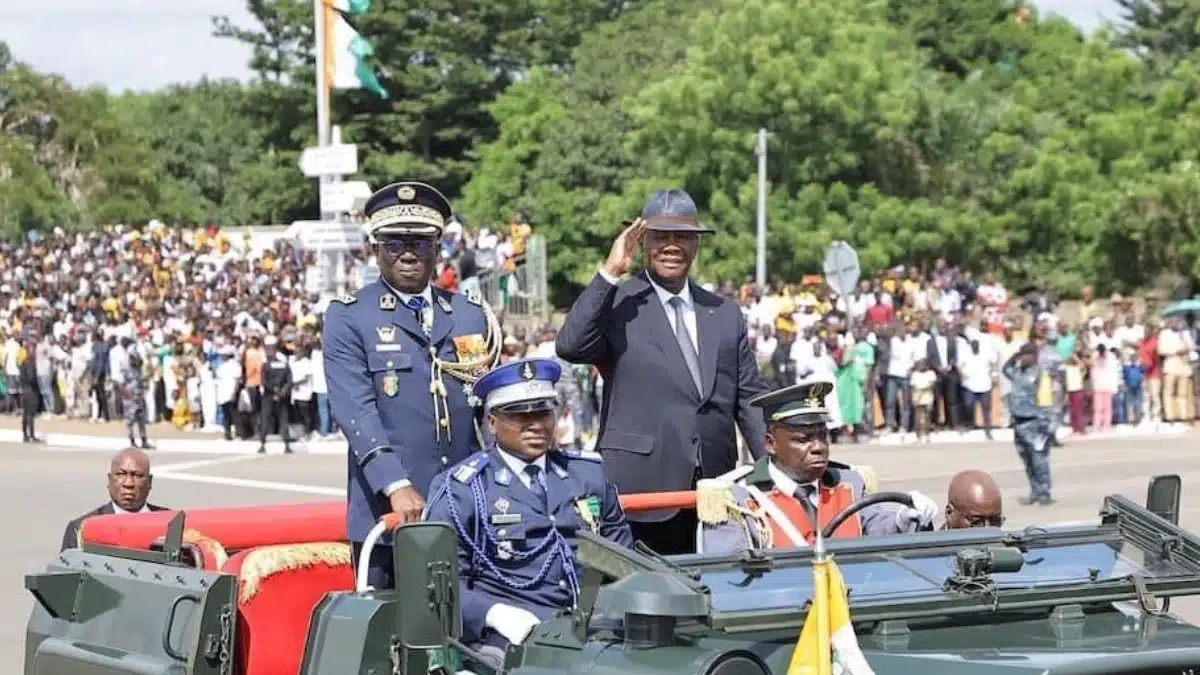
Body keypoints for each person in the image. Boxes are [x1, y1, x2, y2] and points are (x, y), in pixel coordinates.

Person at [555, 189, 768, 555]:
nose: (672, 246)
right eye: (660, 237)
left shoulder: (723, 312)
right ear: (641, 242)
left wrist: (769, 472)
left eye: (682, 236)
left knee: (716, 596)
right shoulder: (619, 303)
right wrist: (610, 273)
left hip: (715, 493)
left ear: (696, 244)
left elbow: (748, 398)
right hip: (643, 491)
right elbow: (571, 346)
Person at [324, 181, 500, 590]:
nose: (407, 253)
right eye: (393, 243)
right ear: (375, 249)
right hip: (388, 511)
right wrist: (396, 485)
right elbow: (355, 412)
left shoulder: (468, 314)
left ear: (438, 248)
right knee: (390, 637)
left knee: (467, 628)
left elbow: (486, 408)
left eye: (420, 242)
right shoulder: (350, 316)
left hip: (465, 505)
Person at [424, 358, 632, 667]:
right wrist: (494, 614)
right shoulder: (464, 490)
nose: (536, 424)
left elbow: (623, 558)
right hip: (512, 637)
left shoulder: (586, 475)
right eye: (520, 415)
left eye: (544, 412)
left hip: (596, 628)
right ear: (492, 423)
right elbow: (441, 587)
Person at [698, 381, 938, 554]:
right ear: (771, 444)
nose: (819, 447)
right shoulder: (736, 499)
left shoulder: (849, 482)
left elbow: (876, 527)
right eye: (803, 439)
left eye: (823, 436)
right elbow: (729, 575)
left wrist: (903, 518)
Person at [61, 448, 168, 551]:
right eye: (121, 474)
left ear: (150, 482)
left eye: (137, 475)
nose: (128, 483)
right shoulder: (81, 529)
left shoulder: (170, 524)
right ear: (109, 480)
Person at [1003, 342, 1055, 505]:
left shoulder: (1041, 374)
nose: (1023, 357)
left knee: (1039, 460)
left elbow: (1046, 401)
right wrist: (1014, 356)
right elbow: (1005, 369)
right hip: (1019, 422)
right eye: (1022, 354)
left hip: (1036, 423)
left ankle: (1044, 493)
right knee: (1027, 460)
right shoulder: (1018, 372)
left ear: (1034, 356)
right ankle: (1035, 492)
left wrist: (1046, 426)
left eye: (1026, 354)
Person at [259, 335, 293, 454]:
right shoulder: (284, 363)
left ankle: (262, 444)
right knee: (283, 420)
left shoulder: (266, 364)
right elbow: (289, 380)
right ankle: (287, 445)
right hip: (281, 395)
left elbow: (264, 381)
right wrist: (282, 391)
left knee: (266, 419)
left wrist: (274, 391)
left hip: (269, 395)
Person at [121, 353, 153, 450]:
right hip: (130, 401)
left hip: (139, 399)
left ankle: (144, 441)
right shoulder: (126, 372)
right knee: (130, 422)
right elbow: (121, 386)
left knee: (141, 421)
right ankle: (132, 442)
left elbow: (142, 384)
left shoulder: (139, 372)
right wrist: (128, 396)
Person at [19, 337, 40, 443]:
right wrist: (36, 384)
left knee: (25, 413)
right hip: (31, 390)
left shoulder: (23, 362)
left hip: (24, 389)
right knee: (30, 414)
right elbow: (31, 378)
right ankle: (31, 435)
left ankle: (25, 435)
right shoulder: (30, 363)